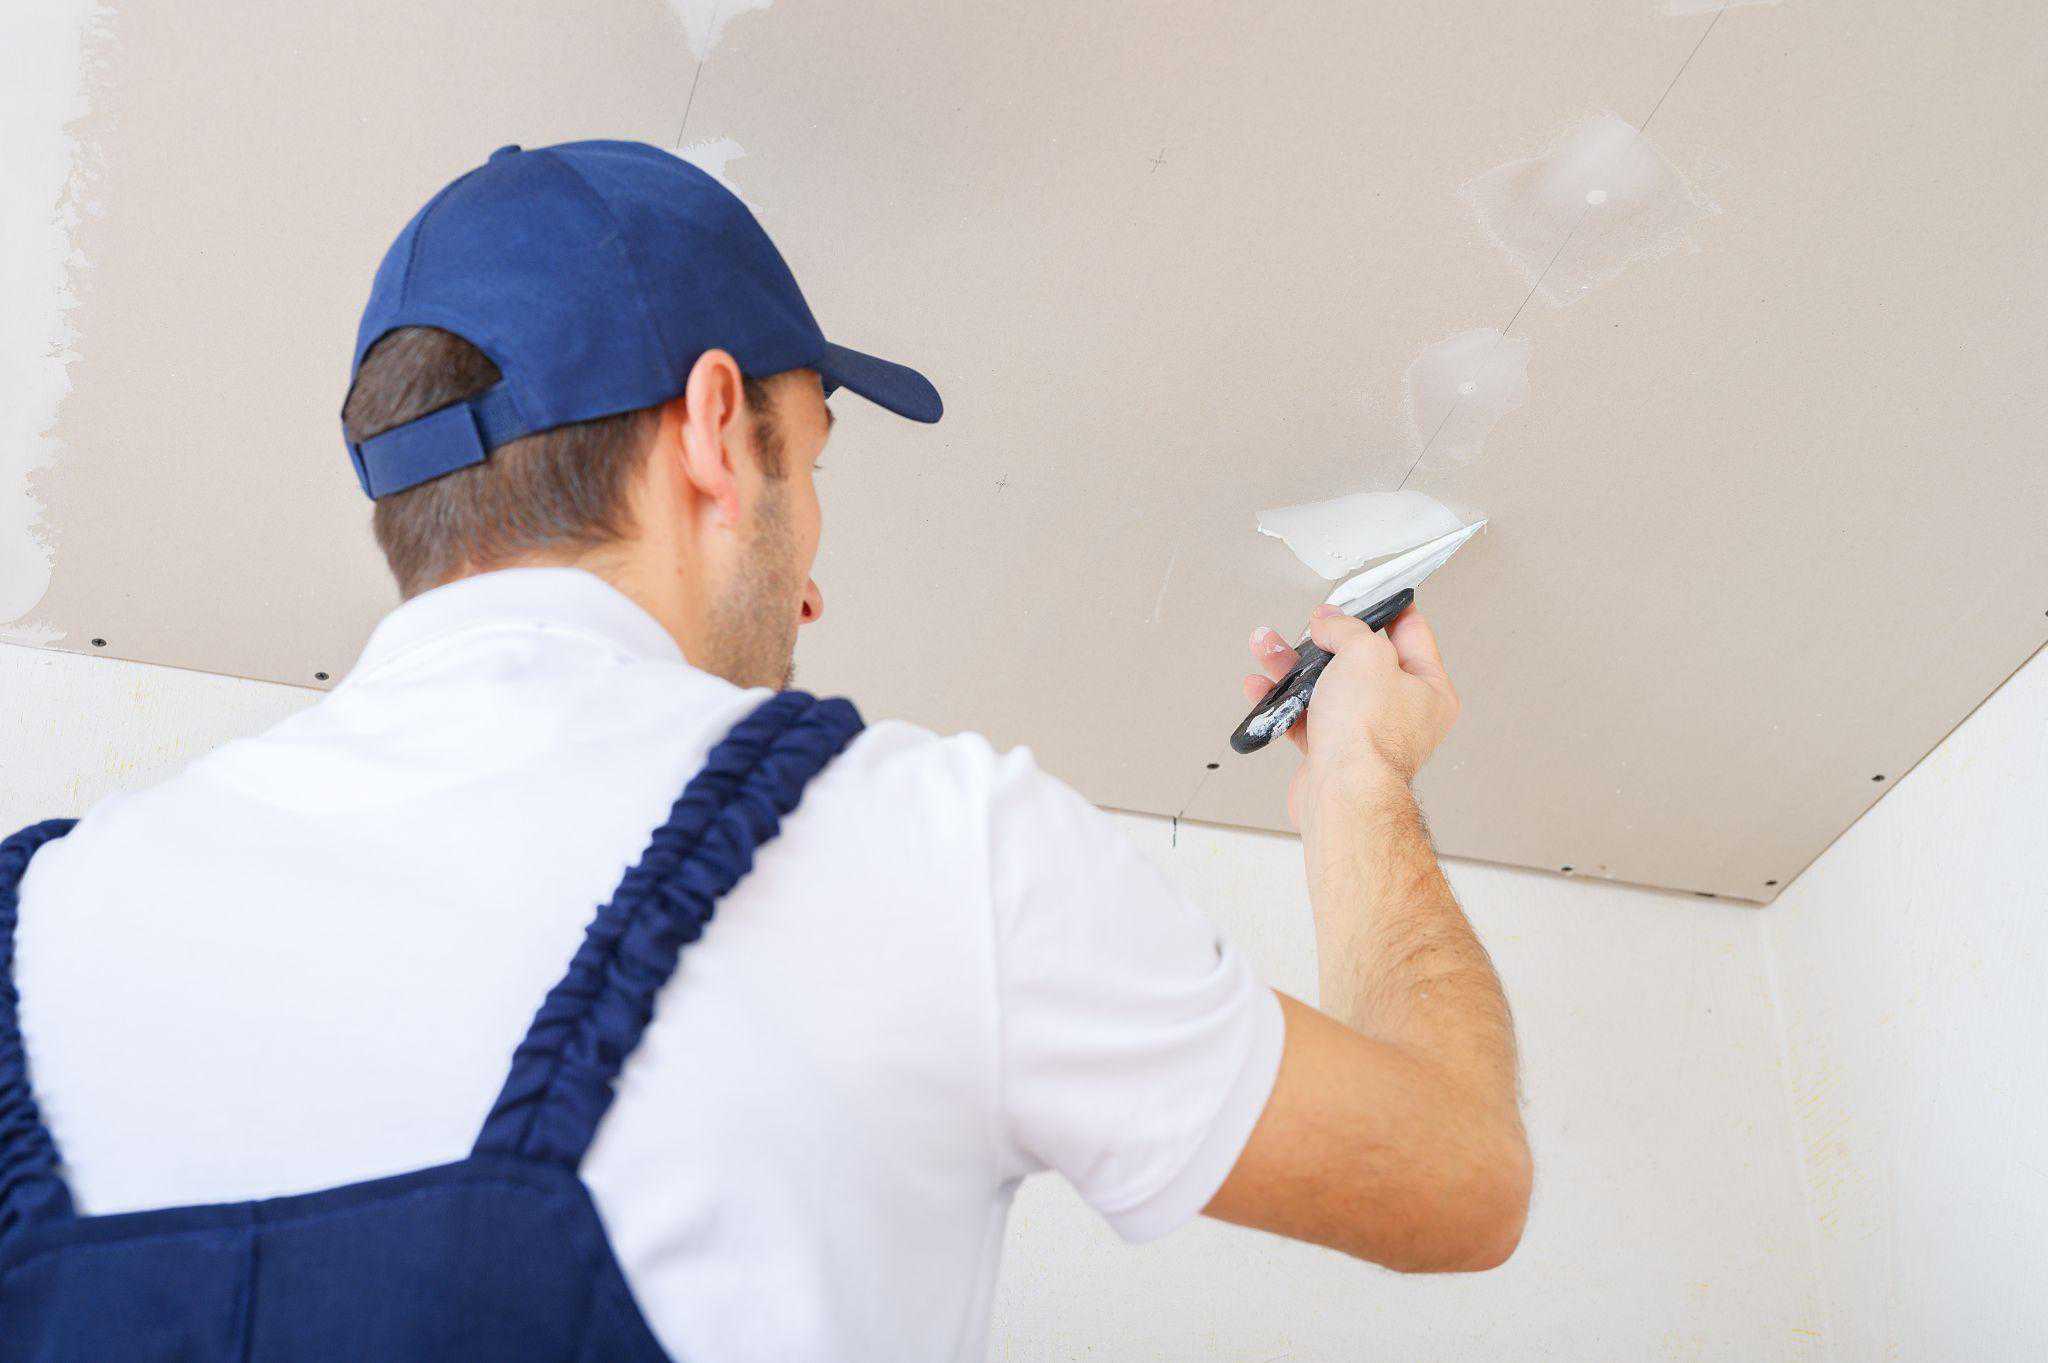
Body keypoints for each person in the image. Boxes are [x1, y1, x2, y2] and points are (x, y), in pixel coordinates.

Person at [0, 140, 1529, 1362]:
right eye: (810, 463)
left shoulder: (31, 922)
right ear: (716, 431)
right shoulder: (922, 849)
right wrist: (1361, 785)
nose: (810, 589)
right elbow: (1461, 1176)